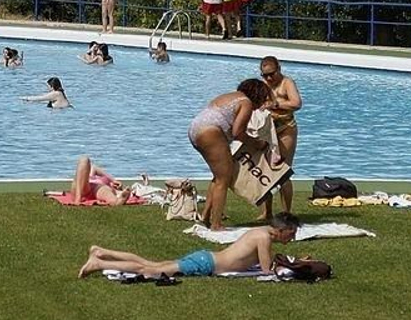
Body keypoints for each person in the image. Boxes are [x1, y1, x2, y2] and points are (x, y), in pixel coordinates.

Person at [78, 214, 300, 279]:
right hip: (206, 263)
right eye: (291, 234)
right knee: (151, 271)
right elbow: (265, 269)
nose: (291, 238)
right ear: (281, 230)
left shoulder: (260, 232)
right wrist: (290, 268)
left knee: (150, 265)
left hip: (206, 258)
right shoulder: (264, 238)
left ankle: (101, 252)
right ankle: (98, 262)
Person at [189, 78, 273, 231]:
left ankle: (206, 218)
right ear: (257, 95)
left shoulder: (231, 96)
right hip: (210, 131)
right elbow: (238, 132)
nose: (260, 105)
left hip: (196, 129)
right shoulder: (246, 102)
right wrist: (256, 142)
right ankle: (216, 224)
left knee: (218, 177)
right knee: (224, 179)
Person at [259, 56, 302, 216]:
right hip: (267, 130)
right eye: (265, 75)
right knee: (265, 170)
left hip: (286, 128)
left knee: (283, 171)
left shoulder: (287, 83)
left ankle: (286, 212)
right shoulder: (263, 85)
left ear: (279, 69)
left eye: (272, 73)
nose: (269, 78)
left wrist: (276, 104)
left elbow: (297, 103)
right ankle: (267, 211)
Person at [69, 156, 137, 205]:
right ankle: (78, 198)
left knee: (106, 191)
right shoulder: (92, 172)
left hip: (98, 189)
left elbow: (116, 189)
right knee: (84, 159)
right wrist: (113, 180)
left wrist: (115, 185)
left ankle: (116, 201)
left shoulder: (108, 186)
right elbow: (95, 168)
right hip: (84, 185)